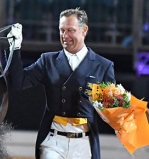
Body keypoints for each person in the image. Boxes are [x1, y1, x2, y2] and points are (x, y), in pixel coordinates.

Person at [7, 8, 115, 159]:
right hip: (54, 141)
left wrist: (103, 107)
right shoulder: (47, 61)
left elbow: (113, 112)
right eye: (62, 30)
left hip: (84, 143)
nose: (65, 36)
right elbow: (19, 82)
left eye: (70, 30)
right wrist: (15, 47)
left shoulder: (103, 66)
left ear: (84, 30)